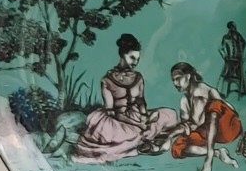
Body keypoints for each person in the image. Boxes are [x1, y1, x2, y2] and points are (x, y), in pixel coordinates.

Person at [72, 33, 179, 163]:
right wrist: (138, 124)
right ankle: (141, 146)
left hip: (137, 115)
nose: (135, 62)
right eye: (132, 57)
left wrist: (144, 117)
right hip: (118, 120)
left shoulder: (138, 77)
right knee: (126, 135)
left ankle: (150, 142)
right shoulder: (107, 80)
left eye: (137, 59)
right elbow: (112, 112)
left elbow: (141, 101)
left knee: (170, 114)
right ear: (123, 54)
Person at [162, 62, 243, 171]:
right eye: (173, 80)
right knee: (177, 148)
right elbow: (188, 126)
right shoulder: (184, 102)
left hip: (227, 128)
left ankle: (209, 157)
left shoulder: (206, 90)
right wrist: (169, 135)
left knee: (214, 107)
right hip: (206, 132)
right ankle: (218, 153)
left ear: (188, 76)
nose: (175, 83)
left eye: (178, 79)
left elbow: (226, 109)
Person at [219, 22, 246, 94]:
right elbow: (220, 48)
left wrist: (241, 52)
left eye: (234, 27)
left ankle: (242, 90)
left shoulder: (239, 36)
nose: (233, 28)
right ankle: (223, 92)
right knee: (226, 75)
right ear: (229, 28)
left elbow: (244, 43)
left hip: (238, 60)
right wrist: (225, 56)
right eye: (231, 27)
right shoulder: (226, 37)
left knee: (240, 74)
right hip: (230, 60)